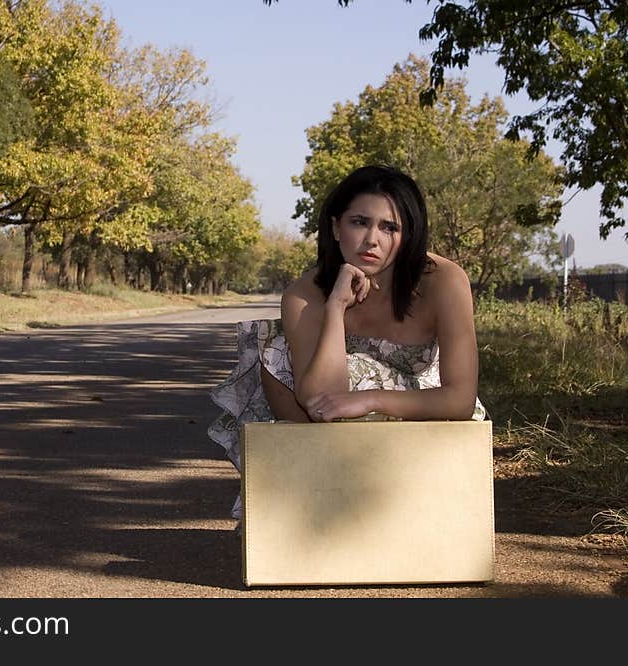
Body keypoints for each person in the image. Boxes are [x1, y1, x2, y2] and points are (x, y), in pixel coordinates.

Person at [208, 164, 486, 519]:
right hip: (327, 437)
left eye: (390, 227)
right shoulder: (304, 294)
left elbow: (461, 400)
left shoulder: (443, 281)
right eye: (359, 222)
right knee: (273, 351)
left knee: (350, 378)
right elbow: (320, 401)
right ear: (336, 227)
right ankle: (319, 504)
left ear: (408, 236)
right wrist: (335, 307)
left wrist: (369, 400)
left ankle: (403, 509)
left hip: (420, 419)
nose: (372, 240)